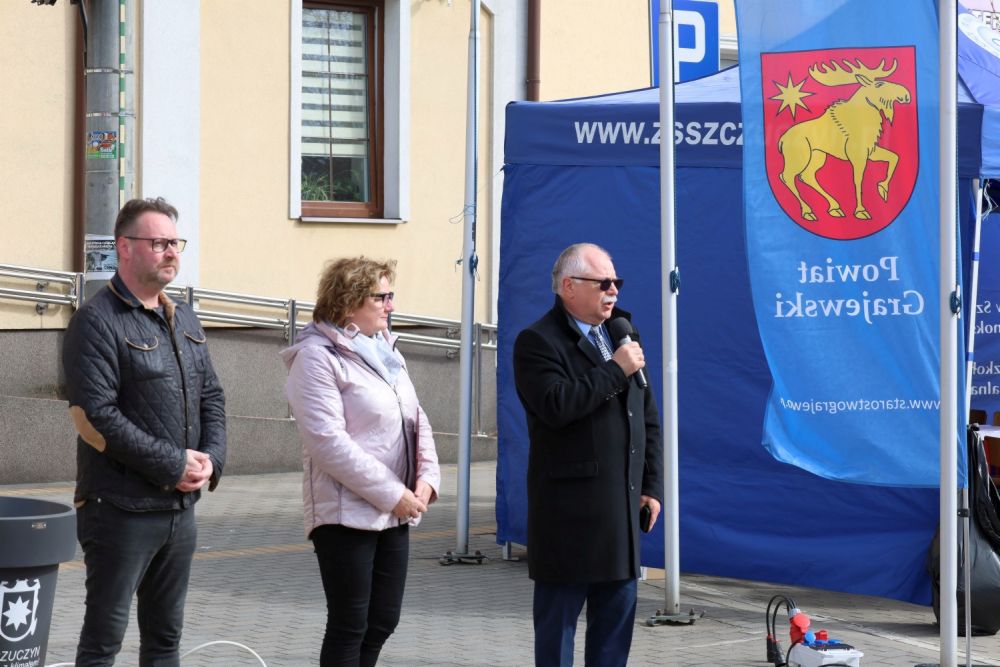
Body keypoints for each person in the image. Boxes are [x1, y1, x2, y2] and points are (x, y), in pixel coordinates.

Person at [62, 197, 227, 666]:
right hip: (119, 511)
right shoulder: (96, 322)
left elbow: (212, 396)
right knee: (103, 644)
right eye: (159, 243)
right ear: (124, 248)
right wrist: (173, 463)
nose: (171, 252)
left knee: (165, 642)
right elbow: (95, 417)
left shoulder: (184, 317)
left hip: (179, 510)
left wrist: (211, 460)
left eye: (175, 242)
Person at [281, 256, 441, 667]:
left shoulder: (383, 348)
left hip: (395, 509)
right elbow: (327, 442)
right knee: (350, 625)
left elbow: (415, 416)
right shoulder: (316, 357)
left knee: (383, 620)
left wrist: (427, 477)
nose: (391, 305)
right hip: (345, 513)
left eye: (391, 295)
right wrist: (393, 494)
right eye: (381, 297)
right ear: (348, 301)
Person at [512, 242, 664, 667]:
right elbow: (557, 405)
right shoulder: (537, 341)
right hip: (570, 519)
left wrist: (651, 485)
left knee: (613, 638)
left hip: (621, 517)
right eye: (603, 283)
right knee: (557, 635)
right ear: (568, 286)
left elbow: (646, 417)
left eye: (616, 282)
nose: (613, 291)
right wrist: (616, 369)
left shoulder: (622, 335)